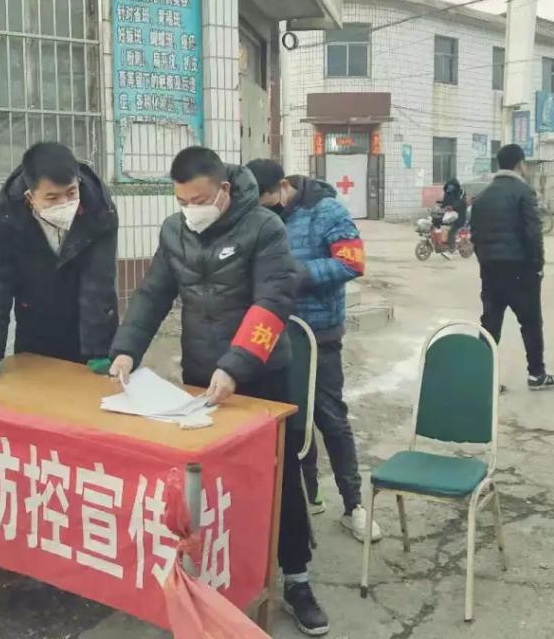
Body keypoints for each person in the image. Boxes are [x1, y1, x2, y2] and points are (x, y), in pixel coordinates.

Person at [108, 147, 329, 635]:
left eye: (200, 200)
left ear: (224, 190)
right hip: (200, 374)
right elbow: (153, 294)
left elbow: (273, 300)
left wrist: (237, 365)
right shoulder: (174, 231)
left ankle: (296, 577)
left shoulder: (264, 228)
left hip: (262, 376)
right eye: (183, 201)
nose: (192, 209)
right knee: (207, 480)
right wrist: (126, 350)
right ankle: (214, 577)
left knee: (278, 477)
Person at [246, 159, 382, 545]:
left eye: (265, 202)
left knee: (329, 417)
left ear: (281, 187)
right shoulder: (257, 217)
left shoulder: (326, 211)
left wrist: (299, 274)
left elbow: (352, 262)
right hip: (271, 331)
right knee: (286, 418)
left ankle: (354, 505)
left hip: (318, 332)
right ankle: (308, 497)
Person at [0, 142, 119, 383]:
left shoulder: (100, 209)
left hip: (89, 326)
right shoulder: (5, 214)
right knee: (35, 392)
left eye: (71, 193)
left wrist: (99, 351)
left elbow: (98, 282)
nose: (64, 203)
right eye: (52, 197)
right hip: (35, 324)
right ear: (30, 196)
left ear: (78, 182)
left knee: (92, 398)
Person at [470, 144, 554, 391]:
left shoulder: (482, 197)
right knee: (531, 323)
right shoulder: (524, 192)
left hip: (490, 270)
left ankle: (483, 378)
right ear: (520, 164)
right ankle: (536, 374)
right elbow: (533, 233)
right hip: (521, 270)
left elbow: (475, 236)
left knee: (490, 324)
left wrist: (485, 261)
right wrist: (538, 265)